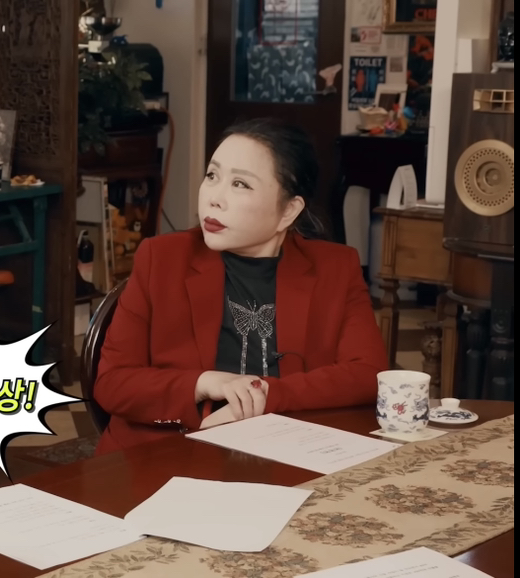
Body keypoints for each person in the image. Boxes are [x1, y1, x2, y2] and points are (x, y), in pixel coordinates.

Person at [93, 117, 387, 456]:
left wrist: (264, 397)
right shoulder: (161, 259)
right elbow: (112, 383)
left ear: (288, 211)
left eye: (240, 184)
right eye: (212, 176)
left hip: (288, 453)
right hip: (165, 455)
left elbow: (369, 374)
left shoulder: (335, 268)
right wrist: (204, 383)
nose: (214, 198)